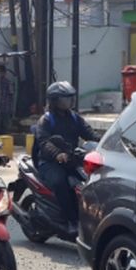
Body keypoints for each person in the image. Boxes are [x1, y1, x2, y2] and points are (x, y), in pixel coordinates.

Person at [33, 81, 99, 230]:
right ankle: (71, 221)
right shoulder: (46, 120)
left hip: (72, 159)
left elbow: (89, 133)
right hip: (50, 162)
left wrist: (105, 142)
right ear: (54, 101)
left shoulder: (75, 118)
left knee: (87, 182)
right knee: (60, 183)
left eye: (70, 98)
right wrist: (57, 154)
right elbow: (44, 142)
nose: (69, 101)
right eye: (64, 99)